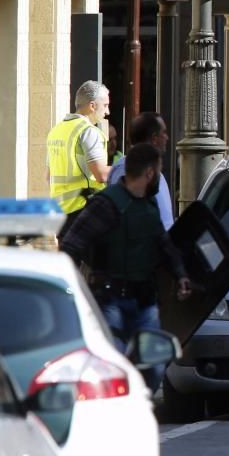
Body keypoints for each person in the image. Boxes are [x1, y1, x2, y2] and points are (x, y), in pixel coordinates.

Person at [60, 144, 192, 392]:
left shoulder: (149, 206)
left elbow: (164, 244)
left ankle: (140, 402)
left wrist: (181, 275)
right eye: (159, 170)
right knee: (114, 366)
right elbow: (71, 244)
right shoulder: (106, 204)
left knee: (153, 366)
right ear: (150, 173)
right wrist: (73, 289)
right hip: (111, 298)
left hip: (144, 299)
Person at [46, 80, 111, 241]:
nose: (107, 111)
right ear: (92, 106)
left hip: (60, 213)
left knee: (68, 263)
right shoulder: (88, 131)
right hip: (83, 209)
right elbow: (101, 175)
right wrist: (126, 168)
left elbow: (48, 176)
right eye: (105, 105)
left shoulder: (56, 130)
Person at [108, 112, 174, 230]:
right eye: (163, 133)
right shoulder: (125, 170)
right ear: (154, 138)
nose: (167, 137)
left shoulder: (151, 168)